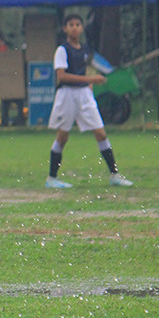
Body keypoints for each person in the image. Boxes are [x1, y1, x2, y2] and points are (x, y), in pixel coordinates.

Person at [46, 14, 133, 189]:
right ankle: (52, 178)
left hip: (84, 94)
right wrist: (90, 79)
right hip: (67, 95)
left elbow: (90, 68)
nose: (74, 27)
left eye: (78, 24)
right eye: (71, 24)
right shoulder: (62, 50)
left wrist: (91, 84)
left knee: (101, 133)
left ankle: (114, 175)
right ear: (65, 28)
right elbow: (62, 76)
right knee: (62, 137)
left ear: (82, 28)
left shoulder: (85, 49)